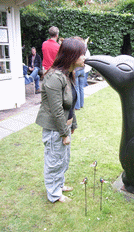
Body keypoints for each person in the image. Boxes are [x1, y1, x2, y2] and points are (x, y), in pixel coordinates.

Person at [36, 37, 86, 203]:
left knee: (63, 160)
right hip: (55, 129)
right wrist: (64, 134)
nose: (85, 58)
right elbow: (56, 110)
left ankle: (59, 184)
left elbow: (70, 104)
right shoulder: (54, 77)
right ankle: (54, 194)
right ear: (72, 56)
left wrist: (74, 123)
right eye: (82, 54)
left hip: (64, 128)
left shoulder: (68, 74)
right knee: (54, 162)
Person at [74, 37, 85, 110]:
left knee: (76, 88)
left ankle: (77, 106)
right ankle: (81, 104)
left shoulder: (75, 49)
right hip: (82, 70)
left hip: (76, 70)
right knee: (81, 88)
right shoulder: (84, 48)